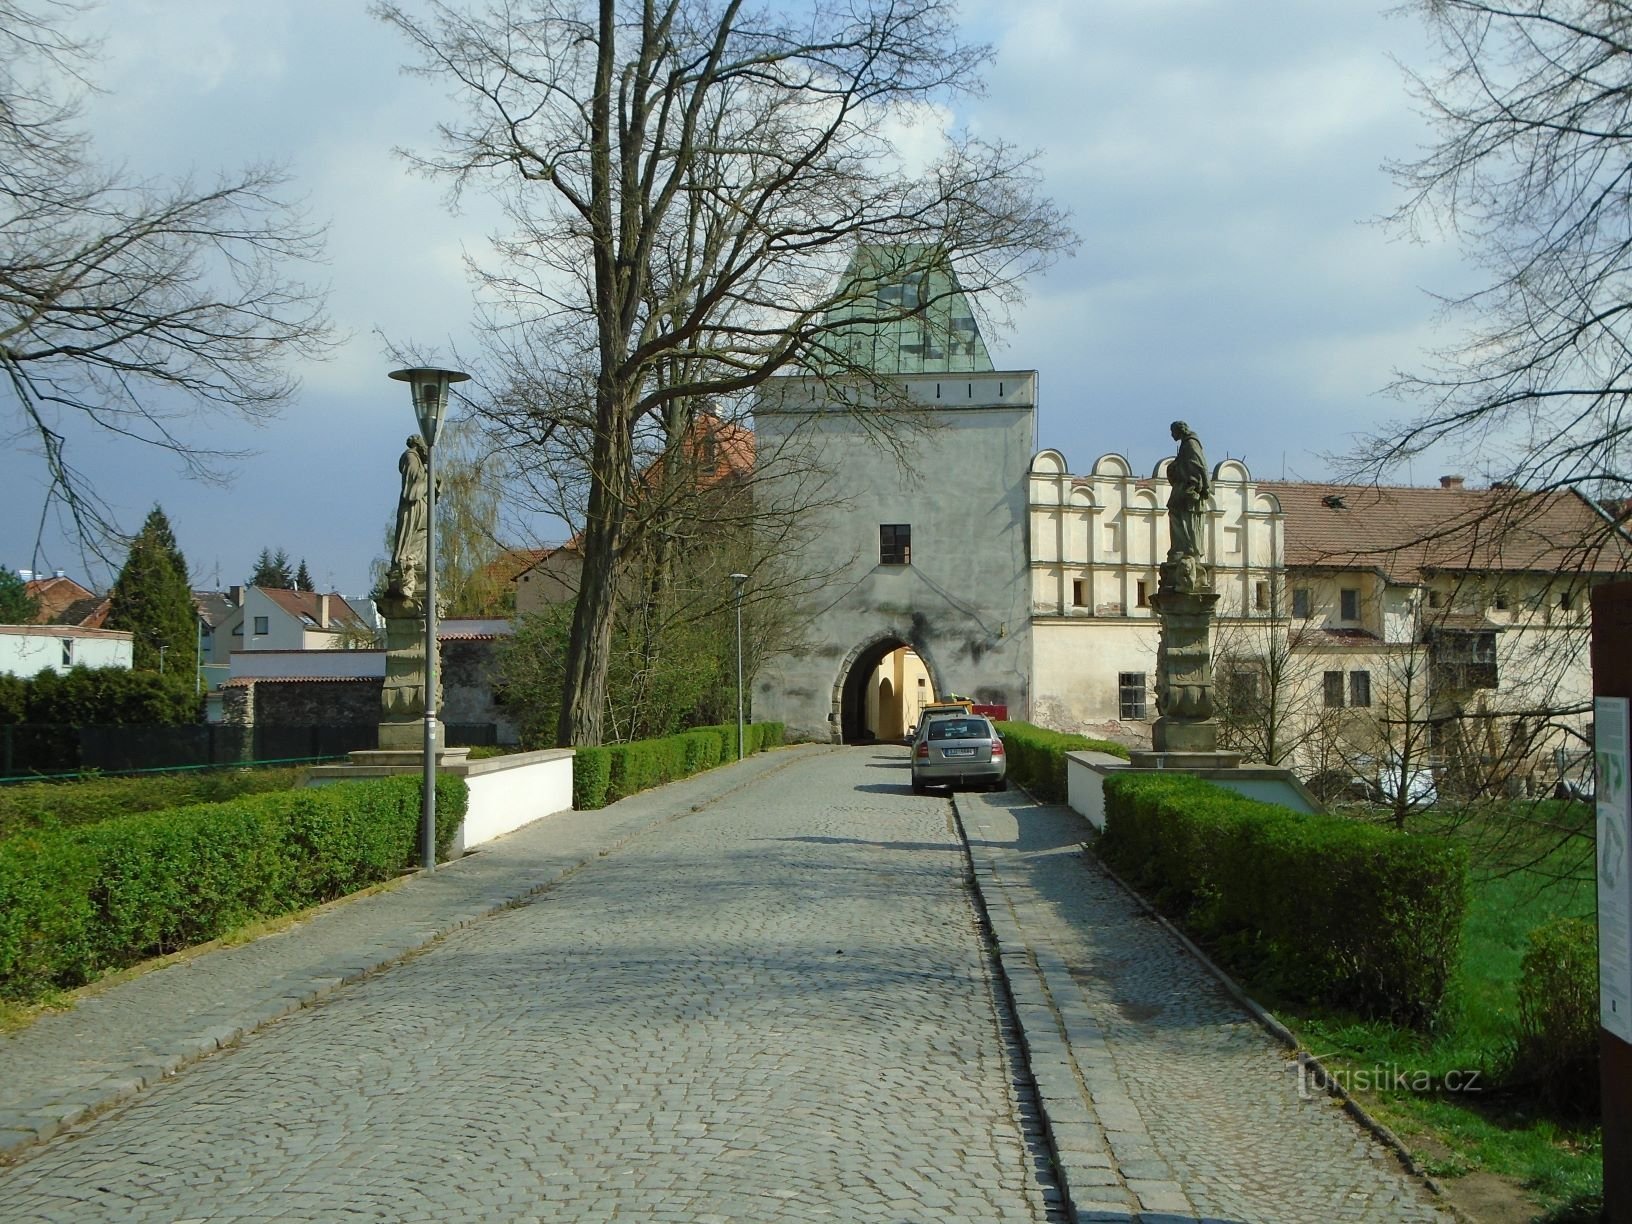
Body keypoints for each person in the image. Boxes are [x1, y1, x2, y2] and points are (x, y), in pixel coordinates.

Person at [387, 434, 430, 599]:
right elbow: (412, 480)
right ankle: (405, 569)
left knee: (424, 532)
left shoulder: (417, 459)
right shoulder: (410, 456)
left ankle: (415, 563)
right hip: (412, 504)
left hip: (421, 504)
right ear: (419, 445)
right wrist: (428, 473)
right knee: (408, 535)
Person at [1165, 420, 1210, 561]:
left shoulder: (1191, 443)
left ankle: (1187, 548)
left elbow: (1199, 464)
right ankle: (1181, 547)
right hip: (1185, 485)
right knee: (1175, 511)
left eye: (1173, 432)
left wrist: (1204, 486)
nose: (1172, 435)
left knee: (1181, 514)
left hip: (1190, 487)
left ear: (1180, 430)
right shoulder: (1186, 443)